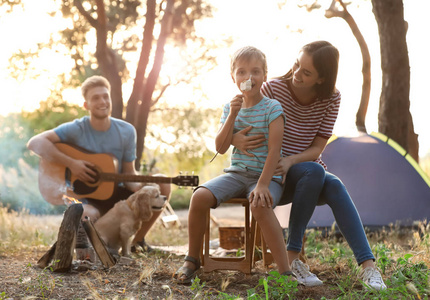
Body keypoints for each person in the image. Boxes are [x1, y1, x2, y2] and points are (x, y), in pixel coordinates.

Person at [232, 41, 387, 290]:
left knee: (331, 182)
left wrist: (291, 160)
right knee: (319, 172)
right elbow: (238, 118)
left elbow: (317, 148)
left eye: (306, 72)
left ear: (321, 78)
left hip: (303, 171)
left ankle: (369, 267)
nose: (297, 75)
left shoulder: (331, 98)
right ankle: (294, 258)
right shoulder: (273, 89)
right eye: (296, 65)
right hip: (272, 174)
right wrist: (233, 138)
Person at [174, 46, 293, 284]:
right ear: (233, 78)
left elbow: (274, 151)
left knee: (259, 204)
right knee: (198, 197)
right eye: (241, 72)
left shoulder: (272, 108)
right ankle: (192, 259)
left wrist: (262, 184)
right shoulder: (230, 108)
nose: (248, 77)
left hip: (265, 176)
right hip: (236, 174)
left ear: (265, 76)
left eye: (255, 71)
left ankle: (285, 271)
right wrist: (232, 116)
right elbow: (220, 147)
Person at [27, 75, 171, 257]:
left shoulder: (127, 131)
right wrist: (72, 163)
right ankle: (93, 244)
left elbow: (129, 173)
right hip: (85, 196)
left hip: (116, 195)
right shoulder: (76, 129)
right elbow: (35, 143)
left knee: (162, 183)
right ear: (86, 105)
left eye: (106, 96)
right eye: (95, 98)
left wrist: (142, 188)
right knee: (87, 219)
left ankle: (136, 242)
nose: (102, 101)